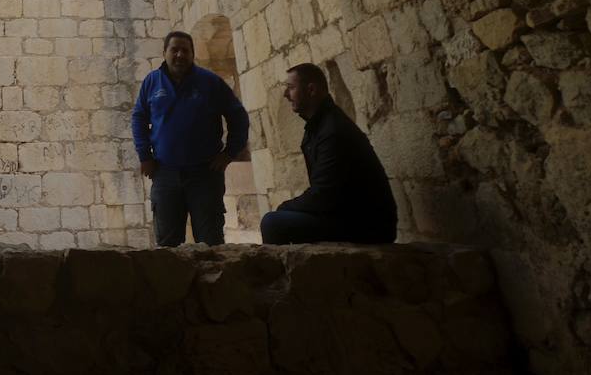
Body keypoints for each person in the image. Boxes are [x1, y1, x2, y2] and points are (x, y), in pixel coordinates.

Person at [131, 30, 250, 246]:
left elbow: (238, 116)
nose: (179, 55)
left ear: (192, 54)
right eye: (174, 50)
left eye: (185, 50)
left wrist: (230, 153)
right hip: (164, 174)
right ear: (164, 52)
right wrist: (144, 156)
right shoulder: (152, 82)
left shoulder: (210, 82)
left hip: (205, 175)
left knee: (210, 242)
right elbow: (139, 117)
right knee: (167, 246)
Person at [259, 62, 397, 244]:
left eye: (291, 88)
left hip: (367, 225)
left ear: (311, 89)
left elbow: (323, 195)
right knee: (281, 218)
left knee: (272, 223)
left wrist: (284, 207)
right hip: (344, 215)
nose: (286, 95)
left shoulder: (332, 130)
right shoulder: (318, 126)